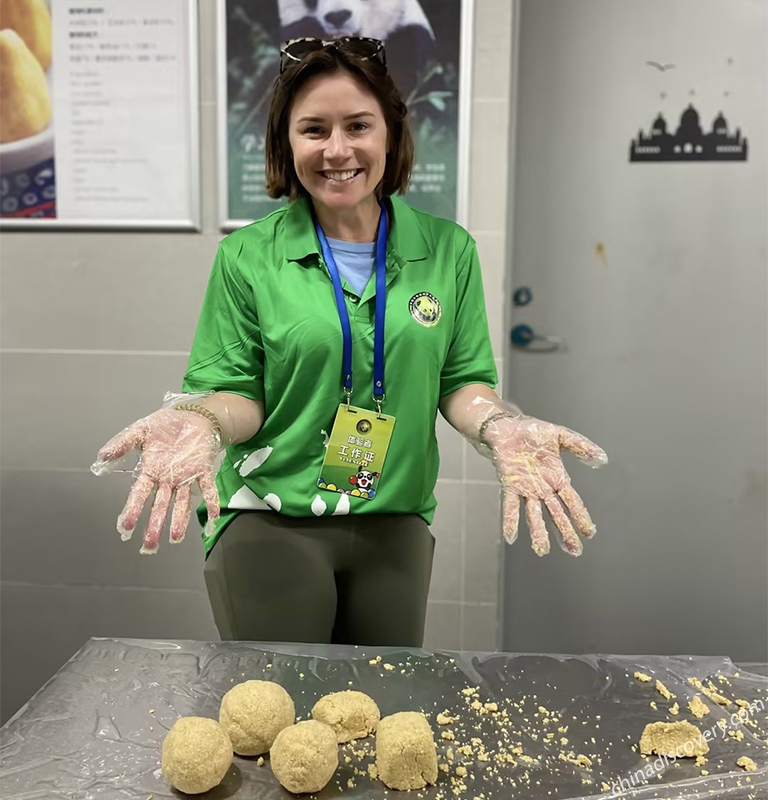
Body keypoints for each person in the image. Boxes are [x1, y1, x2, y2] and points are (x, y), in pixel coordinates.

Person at [92, 37, 607, 647]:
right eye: (314, 129)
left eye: (358, 125)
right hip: (270, 515)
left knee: (382, 717)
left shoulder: (448, 250)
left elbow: (462, 381)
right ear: (288, 142)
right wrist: (202, 418)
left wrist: (499, 425)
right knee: (279, 716)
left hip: (396, 518)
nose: (338, 150)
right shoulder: (248, 256)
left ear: (390, 132)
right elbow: (238, 394)